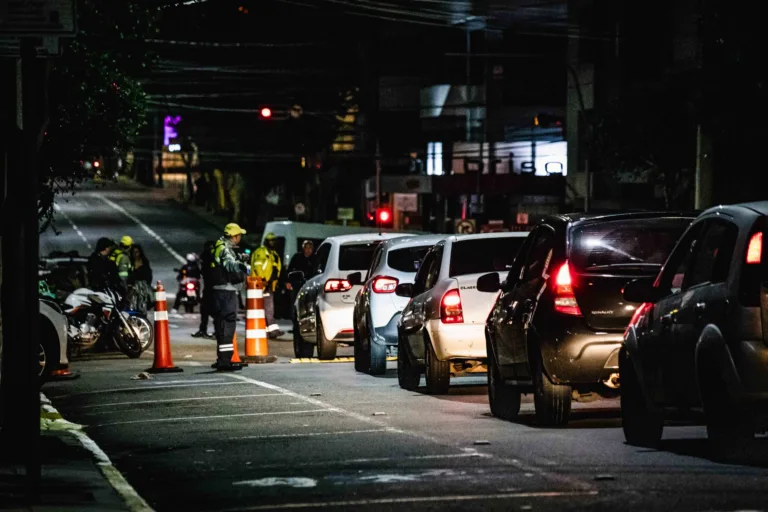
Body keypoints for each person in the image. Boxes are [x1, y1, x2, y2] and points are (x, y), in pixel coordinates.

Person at [210, 223, 249, 371]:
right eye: (239, 236)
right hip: (226, 292)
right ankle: (225, 361)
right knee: (227, 324)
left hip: (219, 291)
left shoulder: (219, 246)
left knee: (222, 324)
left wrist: (240, 259)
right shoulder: (225, 249)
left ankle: (223, 358)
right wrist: (241, 265)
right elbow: (229, 265)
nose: (240, 238)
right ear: (234, 236)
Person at [250, 232, 284, 339]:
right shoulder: (261, 252)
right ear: (266, 241)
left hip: (268, 285)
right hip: (260, 284)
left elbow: (276, 270)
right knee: (266, 308)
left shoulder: (274, 254)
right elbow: (258, 266)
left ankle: (269, 331)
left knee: (267, 309)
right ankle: (271, 331)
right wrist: (263, 280)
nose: (273, 242)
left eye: (274, 240)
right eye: (271, 240)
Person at [192, 241, 216, 339]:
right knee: (204, 310)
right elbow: (201, 272)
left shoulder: (214, 258)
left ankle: (217, 331)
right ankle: (203, 330)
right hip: (208, 288)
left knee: (214, 311)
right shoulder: (205, 257)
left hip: (215, 288)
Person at [128, 244, 153, 315]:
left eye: (137, 252)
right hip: (132, 288)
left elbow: (148, 275)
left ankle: (142, 319)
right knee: (132, 306)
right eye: (134, 252)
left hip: (142, 287)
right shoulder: (129, 261)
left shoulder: (144, 261)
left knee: (142, 306)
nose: (136, 254)